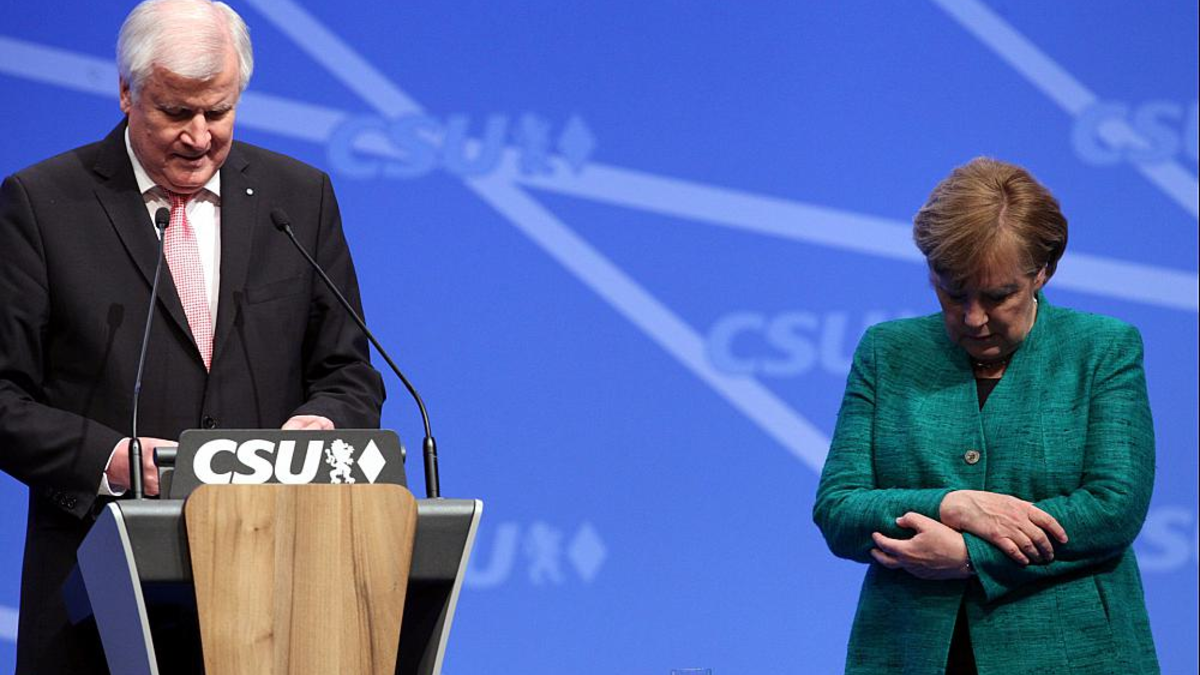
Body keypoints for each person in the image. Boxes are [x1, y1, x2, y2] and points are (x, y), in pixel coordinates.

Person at [0, 1, 385, 672]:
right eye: (177, 113)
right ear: (126, 92)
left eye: (220, 111)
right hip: (98, 595)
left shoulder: (297, 199)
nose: (200, 136)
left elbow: (350, 373)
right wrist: (110, 458)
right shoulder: (42, 205)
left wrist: (319, 425)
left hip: (276, 594)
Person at [812, 157, 1158, 674]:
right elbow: (840, 510)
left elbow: (1113, 508)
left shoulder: (1102, 349)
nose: (973, 318)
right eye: (953, 293)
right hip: (909, 653)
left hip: (1074, 654)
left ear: (1044, 270)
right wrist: (950, 504)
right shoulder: (887, 352)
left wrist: (971, 555)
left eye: (998, 296)